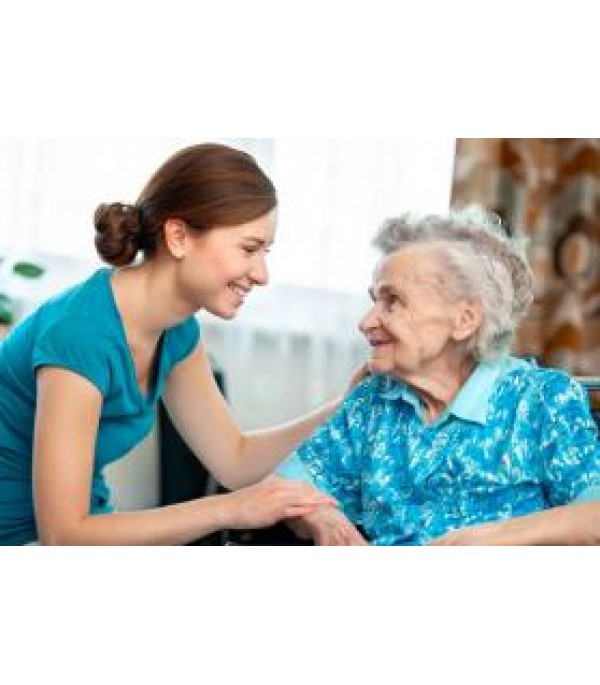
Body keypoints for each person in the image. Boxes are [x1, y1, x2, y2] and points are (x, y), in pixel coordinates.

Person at [0, 142, 349, 546]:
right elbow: (63, 536)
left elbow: (235, 459)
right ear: (179, 237)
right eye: (249, 249)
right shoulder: (81, 335)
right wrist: (231, 508)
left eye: (265, 252)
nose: (262, 274)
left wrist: (347, 405)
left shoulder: (178, 333)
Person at [280, 206, 600, 545]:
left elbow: (593, 516)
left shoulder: (541, 400)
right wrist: (322, 517)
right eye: (374, 300)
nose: (366, 322)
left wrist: (490, 539)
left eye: (392, 301)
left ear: (464, 320)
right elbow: (287, 488)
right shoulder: (372, 400)